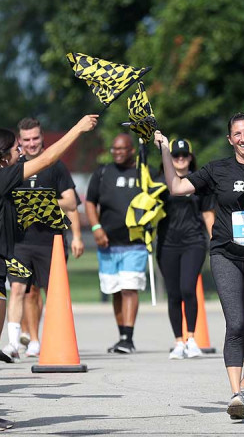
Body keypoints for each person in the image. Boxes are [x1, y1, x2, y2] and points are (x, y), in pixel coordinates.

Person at [0, 114, 97, 432]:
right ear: (4, 156)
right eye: (17, 148)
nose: (22, 151)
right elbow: (47, 157)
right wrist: (77, 128)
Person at [154, 112, 244, 420]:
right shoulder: (218, 169)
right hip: (226, 255)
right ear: (229, 139)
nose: (243, 138)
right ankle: (236, 394)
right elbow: (177, 188)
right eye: (237, 134)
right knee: (235, 324)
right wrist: (165, 149)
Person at [0, 117, 80, 363]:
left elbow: (71, 202)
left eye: (36, 138)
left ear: (42, 138)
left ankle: (47, 340)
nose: (32, 144)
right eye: (27, 140)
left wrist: (36, 203)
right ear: (19, 141)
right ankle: (14, 343)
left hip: (50, 242)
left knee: (50, 294)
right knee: (20, 290)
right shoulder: (13, 167)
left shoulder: (56, 166)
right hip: (20, 242)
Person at [85, 134, 146, 354]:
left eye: (122, 149)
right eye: (114, 149)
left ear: (132, 150)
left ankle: (129, 339)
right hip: (107, 243)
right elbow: (90, 202)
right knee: (116, 290)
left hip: (135, 242)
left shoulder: (143, 171)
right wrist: (96, 228)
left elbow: (156, 197)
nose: (118, 152)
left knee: (130, 288)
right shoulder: (102, 173)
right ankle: (122, 336)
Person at [157, 138, 214, 360]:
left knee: (188, 288)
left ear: (191, 158)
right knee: (173, 294)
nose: (180, 159)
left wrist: (214, 238)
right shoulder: (159, 183)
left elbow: (208, 213)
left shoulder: (200, 182)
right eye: (175, 156)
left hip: (194, 242)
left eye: (184, 155)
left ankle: (191, 338)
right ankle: (178, 341)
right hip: (167, 243)